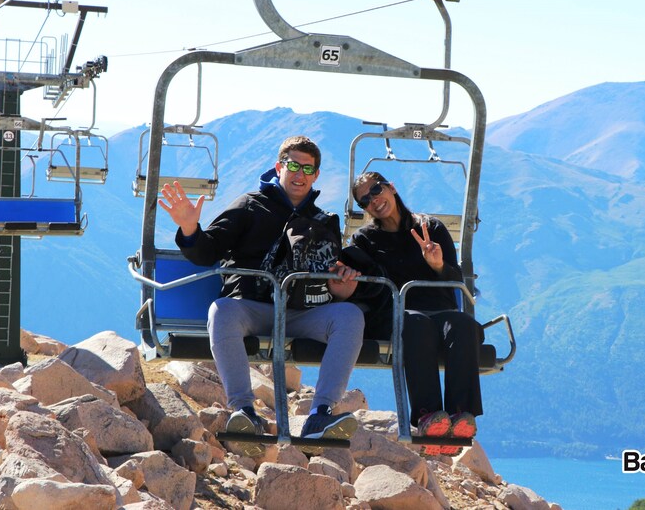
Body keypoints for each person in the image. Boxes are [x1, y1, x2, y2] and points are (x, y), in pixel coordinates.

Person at [159, 135, 364, 457]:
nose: (300, 174)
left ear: (316, 175)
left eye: (308, 169)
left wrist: (341, 286)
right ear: (279, 167)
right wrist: (189, 228)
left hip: (300, 311)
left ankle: (320, 415)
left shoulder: (323, 221)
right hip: (252, 306)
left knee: (350, 316)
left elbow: (326, 278)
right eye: (293, 165)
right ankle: (245, 411)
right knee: (222, 311)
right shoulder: (249, 205)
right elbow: (206, 252)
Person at [344, 171, 484, 456]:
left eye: (377, 189)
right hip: (395, 315)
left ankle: (460, 415)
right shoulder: (365, 240)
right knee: (415, 323)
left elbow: (454, 277)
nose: (374, 200)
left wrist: (437, 263)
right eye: (365, 200)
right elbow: (363, 285)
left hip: (440, 310)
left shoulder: (430, 227)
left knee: (464, 324)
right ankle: (427, 415)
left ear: (391, 187)